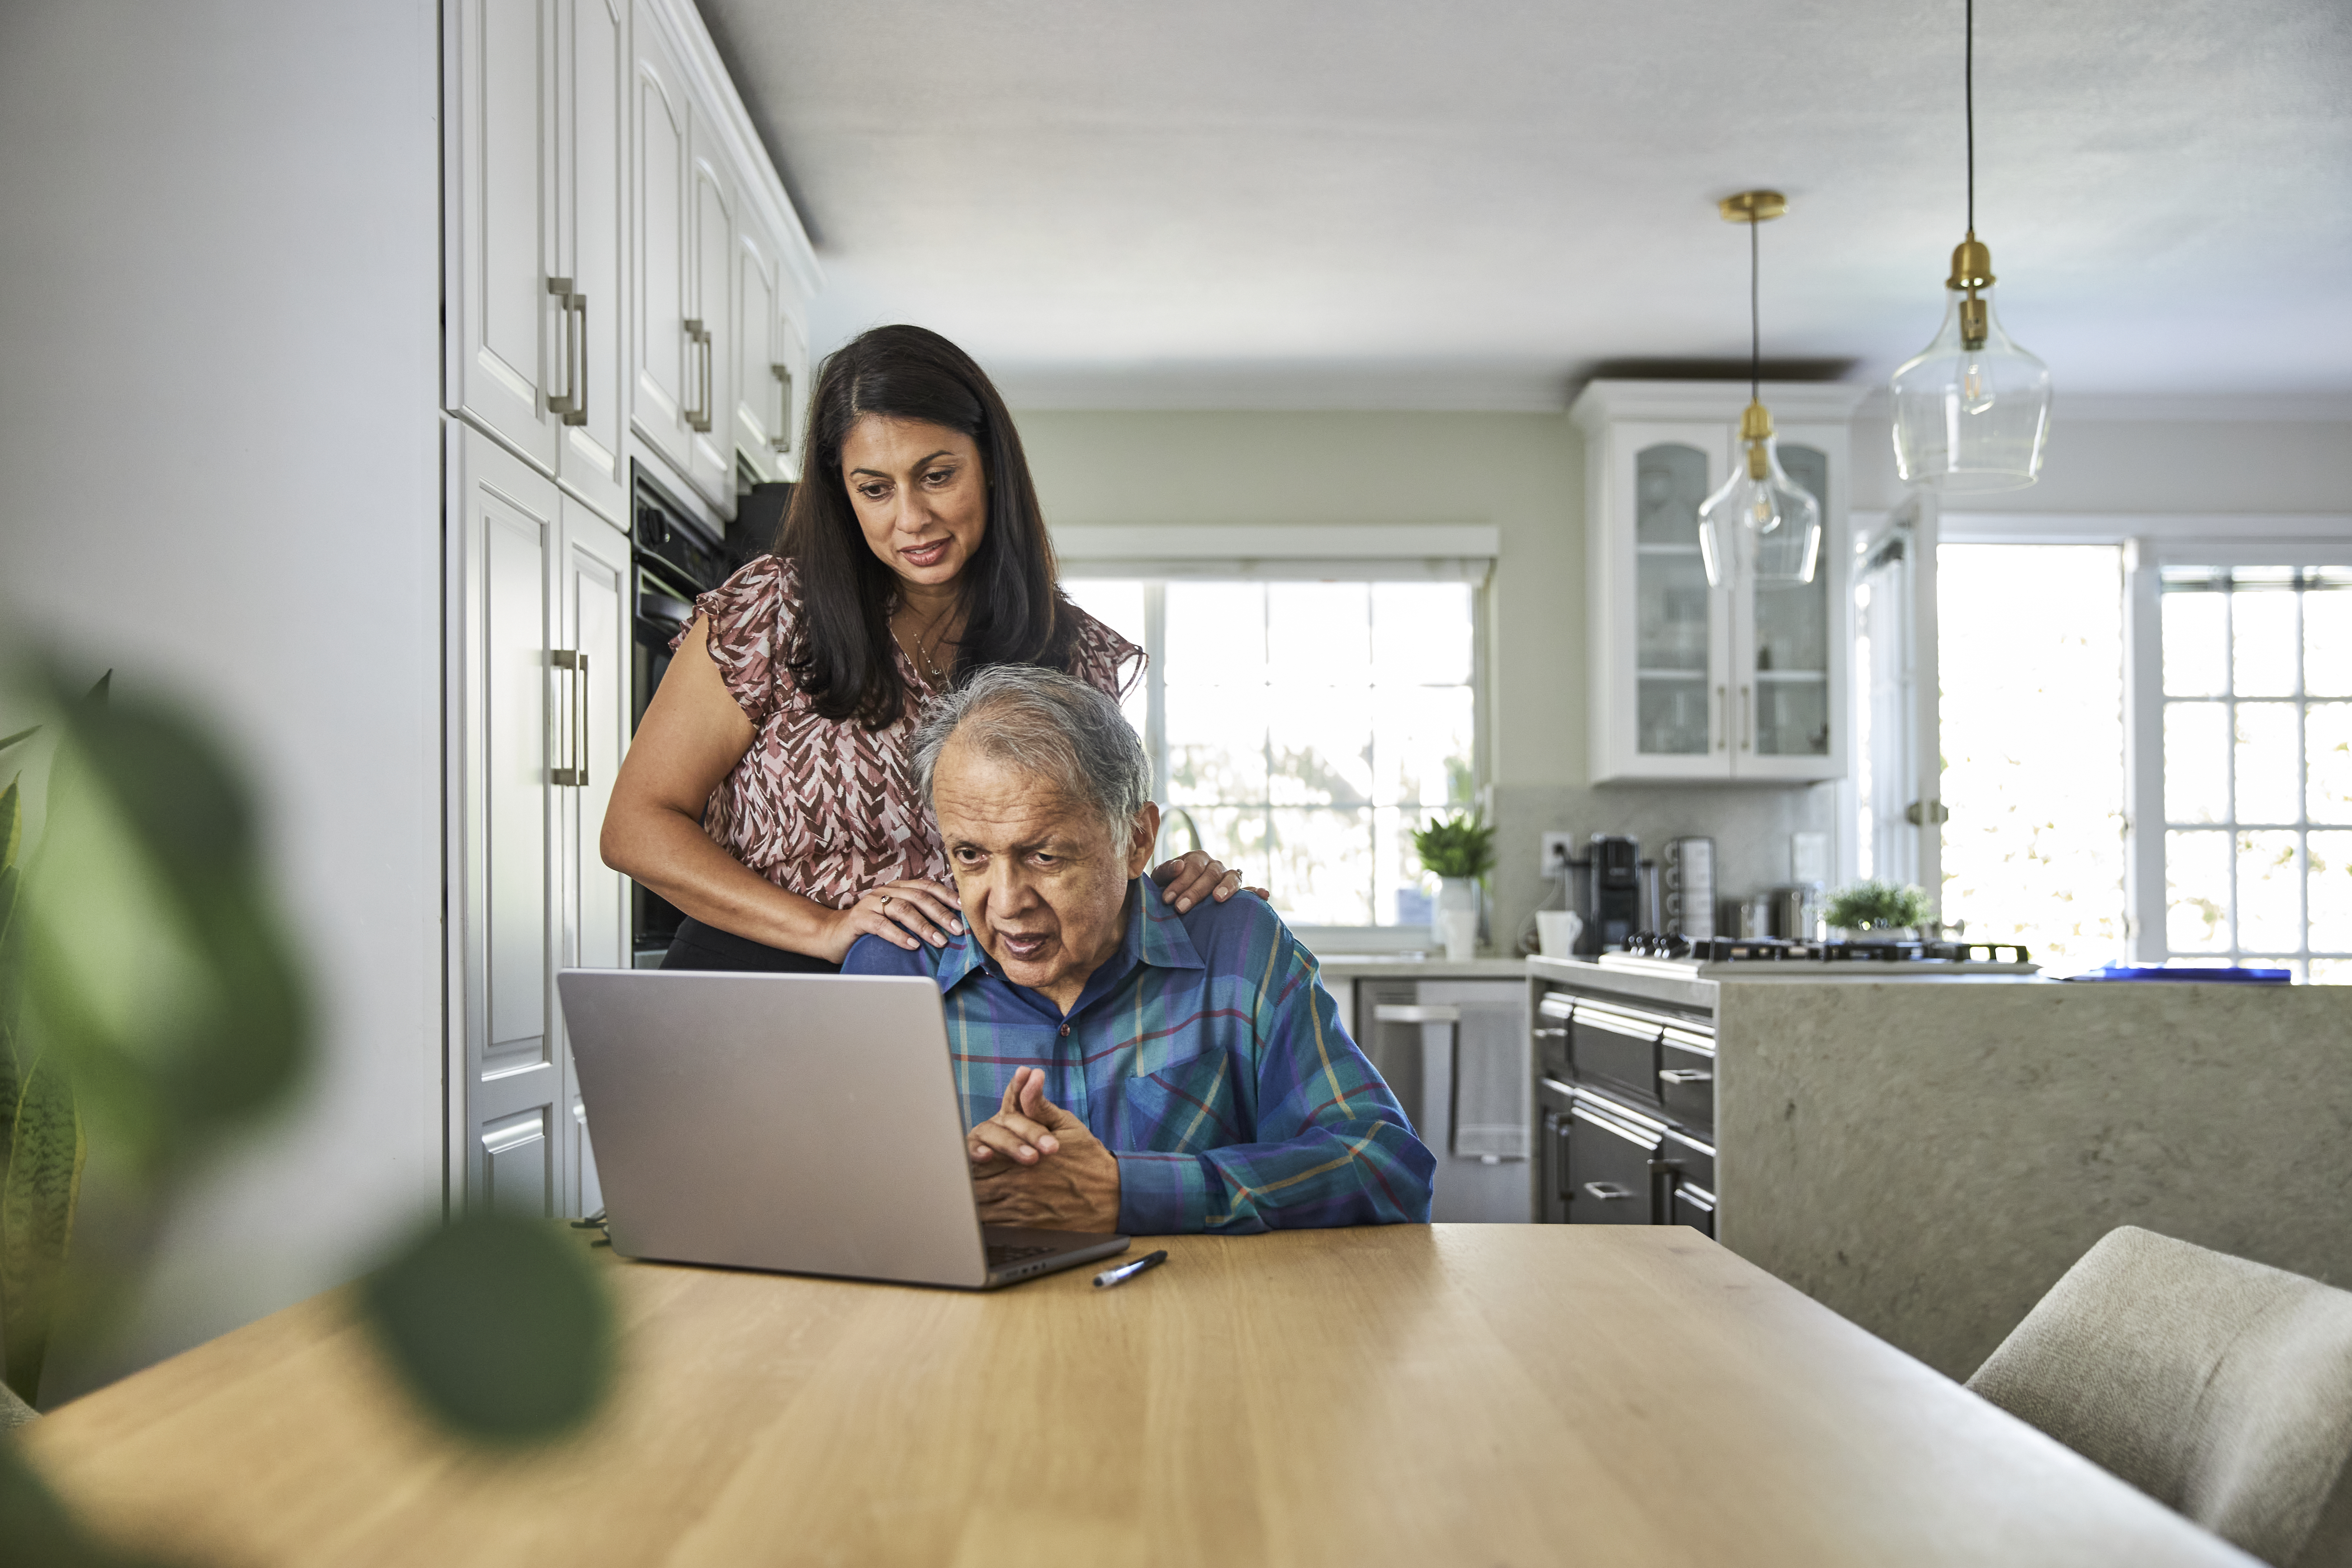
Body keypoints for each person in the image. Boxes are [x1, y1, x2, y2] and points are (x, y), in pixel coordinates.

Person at [601, 325, 1244, 971]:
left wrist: (1174, 881)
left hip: (974, 1005)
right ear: (844, 494)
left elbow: (1083, 859)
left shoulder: (1075, 654)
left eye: (936, 476)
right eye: (875, 489)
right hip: (759, 985)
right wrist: (824, 928)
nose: (911, 519)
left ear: (991, 467)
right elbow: (636, 827)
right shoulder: (773, 612)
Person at [844, 664, 1435, 1235]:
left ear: (1138, 841)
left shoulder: (1235, 949)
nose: (1006, 904)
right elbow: (822, 1200)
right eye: (971, 855)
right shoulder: (893, 969)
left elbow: (1388, 1169)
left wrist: (1129, 1192)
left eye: (1044, 857)